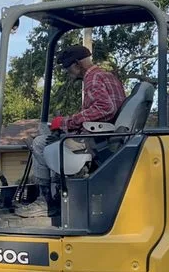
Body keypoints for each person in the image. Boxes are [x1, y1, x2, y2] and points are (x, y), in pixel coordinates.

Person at [14, 45, 127, 218]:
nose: (69, 73)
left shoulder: (92, 78)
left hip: (95, 140)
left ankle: (46, 202)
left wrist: (68, 122)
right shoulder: (108, 76)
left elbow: (105, 108)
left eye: (68, 69)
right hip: (108, 137)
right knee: (53, 140)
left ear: (77, 64)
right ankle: (55, 196)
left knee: (40, 143)